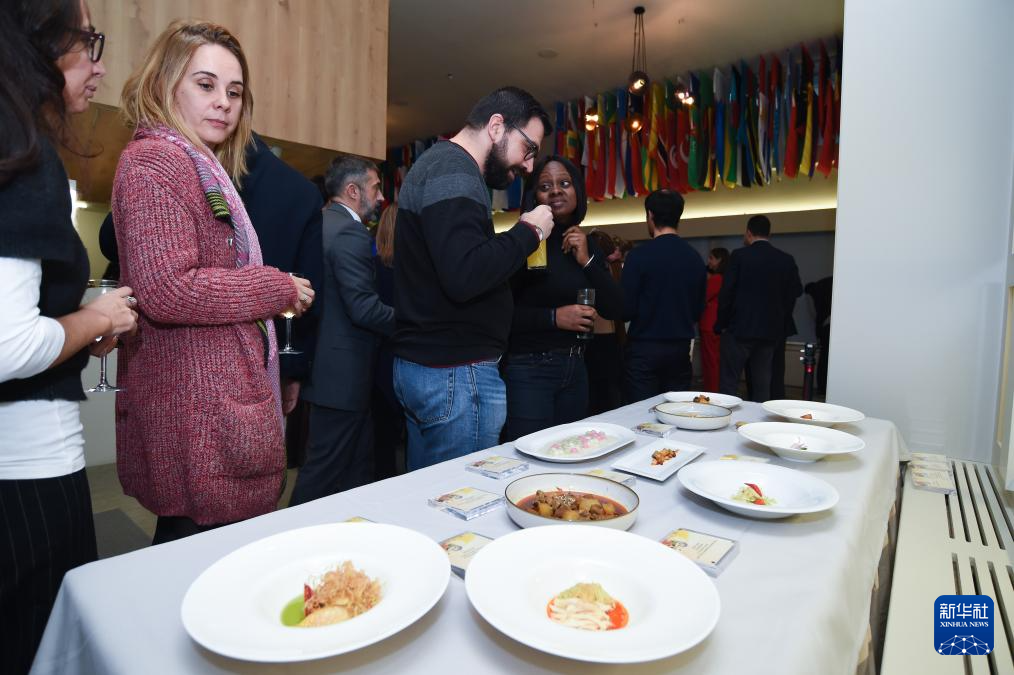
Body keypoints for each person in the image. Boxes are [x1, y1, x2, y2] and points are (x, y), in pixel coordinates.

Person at [112, 20, 314, 544]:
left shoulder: (199, 164)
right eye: (205, 85)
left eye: (234, 91)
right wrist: (277, 287)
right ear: (165, 84)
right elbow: (168, 289)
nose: (223, 102)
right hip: (197, 413)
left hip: (208, 406)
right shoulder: (155, 161)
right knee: (197, 567)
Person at [0, 1, 138, 671]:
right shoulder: (24, 151)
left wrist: (79, 332)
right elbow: (7, 345)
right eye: (88, 43)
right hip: (27, 471)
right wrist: (100, 318)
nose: (99, 63)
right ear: (39, 44)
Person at [392, 86, 555, 470]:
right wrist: (528, 233)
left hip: (434, 370)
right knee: (462, 504)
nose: (529, 166)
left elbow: (455, 264)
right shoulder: (455, 169)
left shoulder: (443, 165)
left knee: (430, 498)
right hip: (456, 374)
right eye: (528, 149)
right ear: (497, 126)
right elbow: (465, 274)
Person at [290, 156, 392, 504]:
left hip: (326, 371)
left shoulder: (318, 223)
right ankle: (285, 542)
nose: (381, 197)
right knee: (324, 474)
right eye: (376, 188)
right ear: (353, 190)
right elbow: (363, 308)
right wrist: (416, 321)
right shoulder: (349, 232)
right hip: (343, 378)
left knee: (353, 472)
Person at [502, 155, 623, 440]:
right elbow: (501, 314)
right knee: (530, 455)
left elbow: (618, 308)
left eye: (564, 183)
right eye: (545, 186)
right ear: (535, 196)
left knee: (569, 453)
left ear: (577, 192)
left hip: (577, 367)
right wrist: (555, 318)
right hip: (530, 369)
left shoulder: (586, 242)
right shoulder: (523, 239)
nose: (556, 190)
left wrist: (588, 260)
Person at [239, 132, 324, 469]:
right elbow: (311, 292)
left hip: (192, 360)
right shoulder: (299, 190)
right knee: (261, 473)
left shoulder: (197, 171)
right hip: (270, 354)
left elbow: (111, 240)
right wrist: (293, 370)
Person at [621, 189, 706, 402]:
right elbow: (697, 310)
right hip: (680, 350)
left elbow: (626, 309)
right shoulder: (694, 258)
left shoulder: (638, 256)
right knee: (676, 412)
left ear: (650, 215)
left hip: (643, 349)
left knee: (640, 414)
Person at [715, 215, 802, 401]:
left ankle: (724, 424)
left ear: (748, 233)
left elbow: (727, 293)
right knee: (763, 385)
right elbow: (794, 292)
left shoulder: (739, 256)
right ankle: (758, 425)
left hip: (739, 330)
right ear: (770, 233)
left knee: (729, 384)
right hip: (770, 332)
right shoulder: (785, 259)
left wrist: (721, 324)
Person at [371, 203, 405, 479]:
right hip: (407, 354)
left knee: (382, 437)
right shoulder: (415, 272)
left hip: (379, 356)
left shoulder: (371, 267)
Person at [585, 230, 627, 415]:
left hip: (594, 335)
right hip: (612, 335)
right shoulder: (614, 269)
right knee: (610, 390)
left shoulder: (594, 269)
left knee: (595, 391)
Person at [699, 247, 729, 392]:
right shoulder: (725, 277)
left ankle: (711, 392)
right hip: (717, 324)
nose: (709, 261)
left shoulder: (716, 279)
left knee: (710, 362)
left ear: (719, 260)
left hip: (709, 324)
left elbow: (702, 297)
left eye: (711, 258)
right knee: (714, 360)